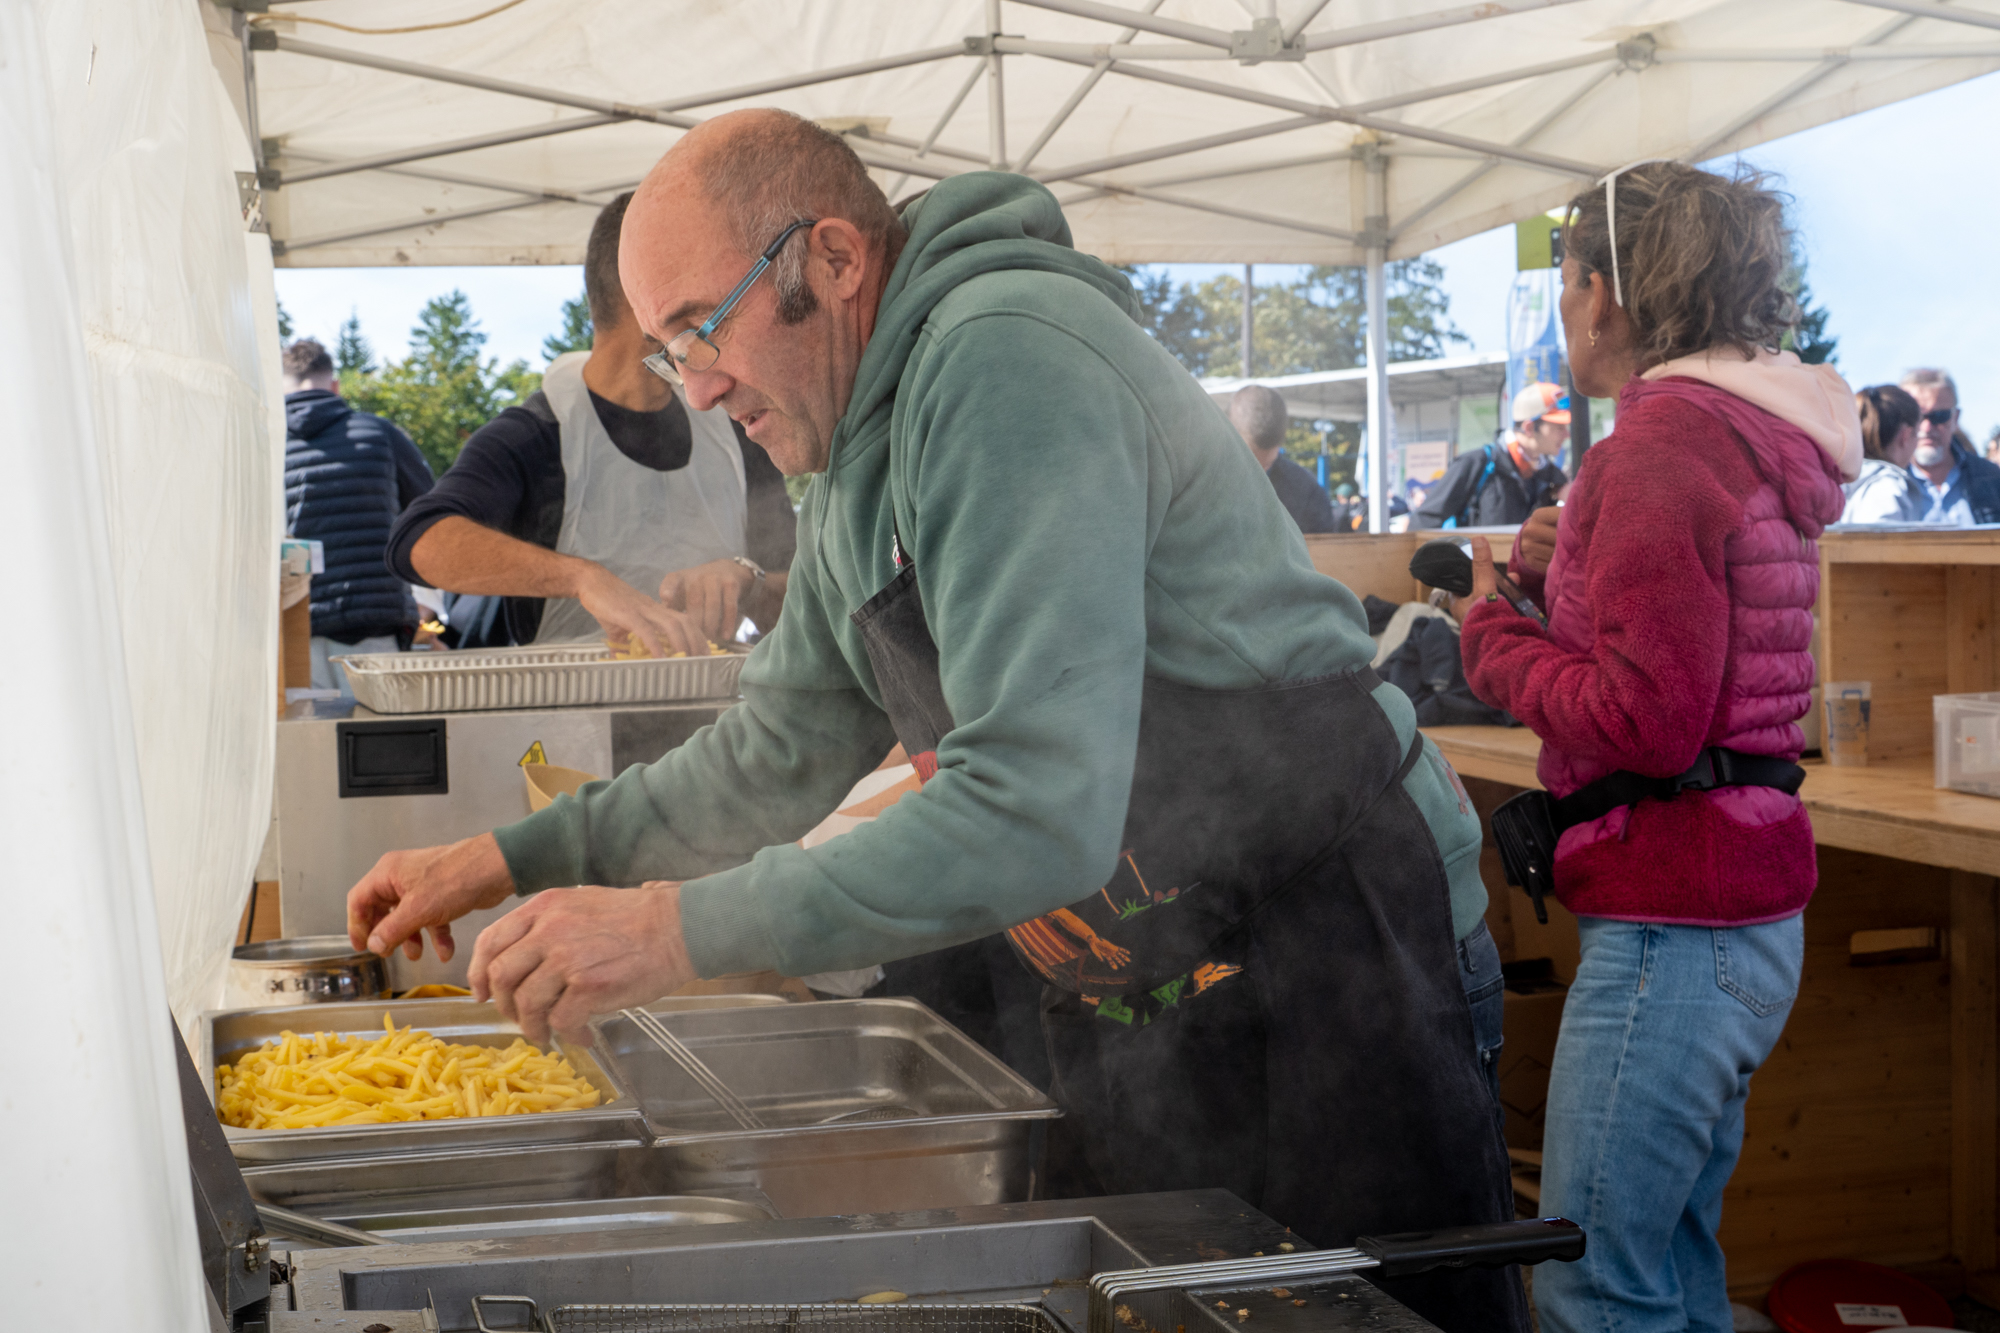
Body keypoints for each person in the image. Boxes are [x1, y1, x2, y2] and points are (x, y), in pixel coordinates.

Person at [347, 109, 1522, 1332]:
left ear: (834, 260)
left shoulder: (1002, 360)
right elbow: (775, 752)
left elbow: (1034, 804)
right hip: (1143, 969)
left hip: (1328, 944)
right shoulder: (852, 452)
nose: (694, 387)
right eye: (667, 348)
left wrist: (671, 928)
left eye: (703, 326)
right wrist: (510, 855)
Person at [1458, 161, 1859, 1333]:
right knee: (1672, 1266)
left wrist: (1490, 637)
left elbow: (1648, 718)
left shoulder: (1655, 449)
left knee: (1594, 1281)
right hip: (1739, 911)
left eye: (1567, 281)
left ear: (1601, 293)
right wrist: (1562, 569)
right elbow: (1699, 656)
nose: (1562, 307)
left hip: (1672, 925)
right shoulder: (1741, 432)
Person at [387, 193, 797, 655]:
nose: (720, 308)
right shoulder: (537, 434)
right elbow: (418, 541)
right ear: (640, 292)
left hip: (720, 700)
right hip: (566, 701)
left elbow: (812, 592)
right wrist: (583, 578)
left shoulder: (732, 431)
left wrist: (751, 583)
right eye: (701, 290)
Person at [283, 338, 436, 693]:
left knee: (306, 728)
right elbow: (430, 509)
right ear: (335, 386)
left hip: (293, 626)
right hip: (374, 623)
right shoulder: (379, 433)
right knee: (378, 725)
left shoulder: (265, 444)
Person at [1412, 382, 1570, 529]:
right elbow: (1424, 521)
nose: (1566, 435)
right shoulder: (1475, 464)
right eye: (1559, 428)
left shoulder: (1555, 479)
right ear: (1529, 428)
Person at [1225, 384, 1336, 532]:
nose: (1259, 473)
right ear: (1229, 435)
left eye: (1266, 465)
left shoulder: (1306, 491)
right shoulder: (1204, 483)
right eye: (1251, 462)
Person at [1900, 367, 2000, 526]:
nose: (1926, 428)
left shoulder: (1992, 478)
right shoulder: (1882, 484)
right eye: (1917, 417)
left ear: (1956, 418)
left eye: (1940, 416)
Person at [1840, 384, 1927, 524]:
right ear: (1905, 435)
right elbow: (1879, 536)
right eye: (1917, 434)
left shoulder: (1837, 480)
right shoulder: (1885, 488)